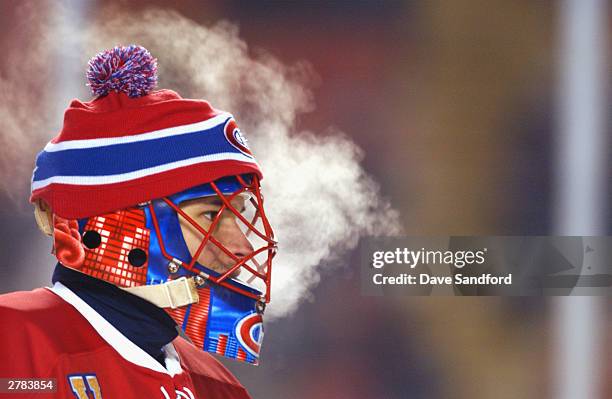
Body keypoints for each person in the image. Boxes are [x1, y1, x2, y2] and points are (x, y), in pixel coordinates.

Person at [0, 45, 277, 399]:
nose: (241, 247)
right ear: (115, 229)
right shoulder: (13, 344)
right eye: (210, 215)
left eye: (238, 214)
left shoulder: (218, 385)